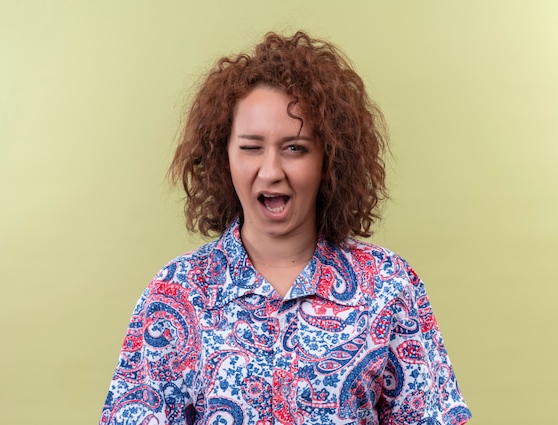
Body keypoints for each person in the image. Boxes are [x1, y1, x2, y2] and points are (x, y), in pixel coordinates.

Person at [100, 31, 471, 425]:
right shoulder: (176, 293)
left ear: (329, 159)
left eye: (295, 147)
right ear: (222, 157)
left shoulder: (389, 286)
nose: (271, 170)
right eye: (250, 146)